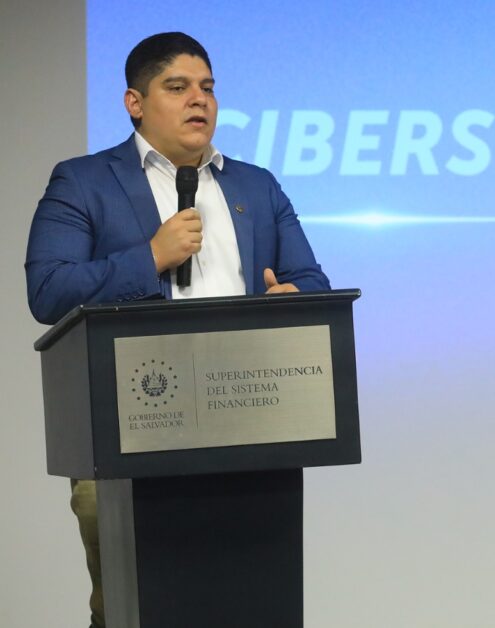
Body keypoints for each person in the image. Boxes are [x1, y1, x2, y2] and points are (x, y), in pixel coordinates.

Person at [24, 32, 330, 628]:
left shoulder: (256, 185)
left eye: (208, 88)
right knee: (132, 609)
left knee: (249, 603)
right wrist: (151, 257)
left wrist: (294, 298)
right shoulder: (83, 181)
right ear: (134, 103)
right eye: (178, 87)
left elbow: (312, 281)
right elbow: (49, 289)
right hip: (125, 437)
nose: (200, 100)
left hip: (250, 431)